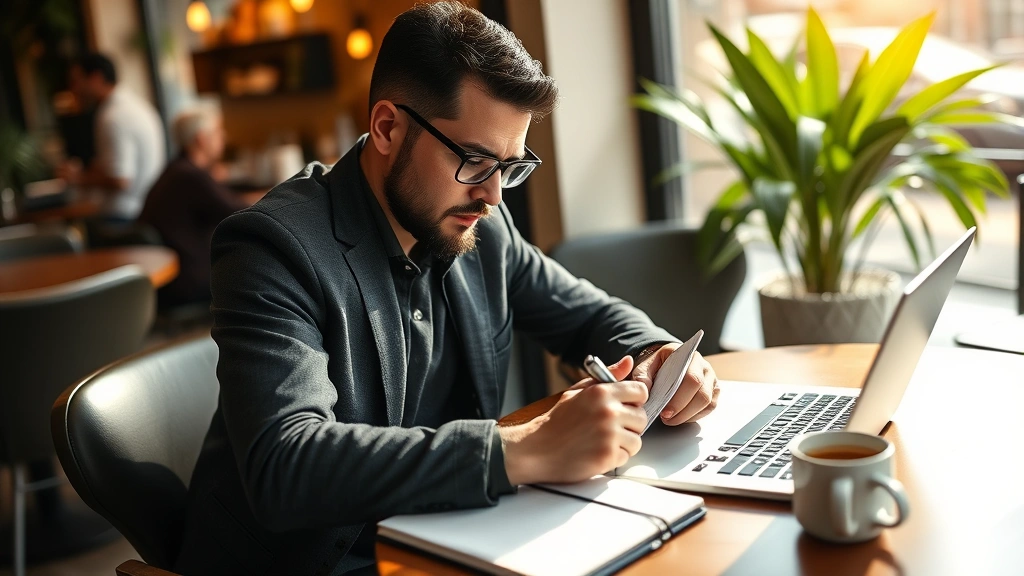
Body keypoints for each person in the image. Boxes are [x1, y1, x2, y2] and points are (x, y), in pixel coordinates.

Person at [175, 3, 720, 574]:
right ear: (387, 127)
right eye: (476, 160)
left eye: (510, 165)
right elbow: (288, 465)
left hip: (447, 538)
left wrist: (666, 359)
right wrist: (521, 449)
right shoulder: (273, 248)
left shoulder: (478, 221)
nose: (494, 196)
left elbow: (589, 316)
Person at [138, 107, 248, 308]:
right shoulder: (190, 176)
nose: (223, 136)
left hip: (177, 274)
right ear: (201, 139)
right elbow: (242, 213)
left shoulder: (177, 171)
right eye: (217, 132)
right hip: (192, 278)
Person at [61, 53, 165, 222]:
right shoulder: (134, 105)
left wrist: (77, 178)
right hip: (146, 210)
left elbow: (120, 180)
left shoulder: (113, 116)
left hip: (125, 217)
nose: (73, 90)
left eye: (76, 81)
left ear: (96, 78)